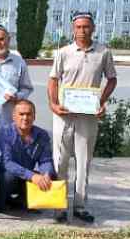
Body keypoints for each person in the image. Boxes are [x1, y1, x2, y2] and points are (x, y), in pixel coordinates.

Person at [47, 11, 118, 223]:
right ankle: (59, 206)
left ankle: (80, 205)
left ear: (93, 28)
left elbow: (112, 79)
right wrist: (53, 104)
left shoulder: (103, 52)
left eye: (86, 26)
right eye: (78, 27)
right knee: (60, 161)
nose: (82, 31)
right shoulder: (63, 52)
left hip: (88, 116)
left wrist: (101, 102)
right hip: (64, 114)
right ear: (73, 29)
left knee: (84, 161)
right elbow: (53, 80)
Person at [0, 100, 55, 212]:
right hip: (7, 176)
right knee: (9, 177)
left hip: (27, 175)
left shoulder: (42, 134)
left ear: (34, 116)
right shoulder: (4, 132)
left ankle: (23, 202)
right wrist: (32, 176)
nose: (25, 118)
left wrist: (46, 174)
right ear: (13, 116)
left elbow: (45, 160)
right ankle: (0, 203)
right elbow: (6, 163)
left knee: (52, 175)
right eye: (21, 114)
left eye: (29, 114)